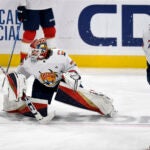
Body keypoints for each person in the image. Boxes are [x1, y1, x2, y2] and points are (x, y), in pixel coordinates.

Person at [0, 38, 115, 123]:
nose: (32, 53)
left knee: (81, 96)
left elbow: (72, 67)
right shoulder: (29, 61)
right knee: (40, 109)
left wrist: (73, 76)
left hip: (61, 82)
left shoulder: (60, 55)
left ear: (43, 50)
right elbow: (19, 76)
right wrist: (14, 80)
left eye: (35, 51)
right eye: (32, 51)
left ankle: (102, 105)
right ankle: (13, 106)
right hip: (41, 85)